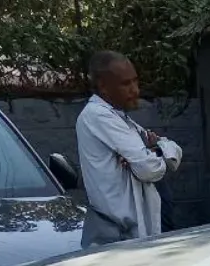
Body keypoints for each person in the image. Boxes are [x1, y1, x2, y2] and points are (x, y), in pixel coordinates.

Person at [76, 50, 183, 247]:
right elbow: (149, 168)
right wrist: (154, 152)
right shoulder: (98, 116)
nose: (135, 90)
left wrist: (154, 150)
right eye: (126, 84)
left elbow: (174, 150)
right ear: (103, 87)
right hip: (118, 239)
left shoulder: (122, 119)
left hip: (136, 236)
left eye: (135, 81)